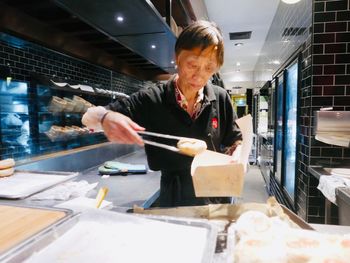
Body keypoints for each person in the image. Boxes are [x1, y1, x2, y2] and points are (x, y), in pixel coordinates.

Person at [82, 20, 242, 207]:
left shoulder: (220, 98)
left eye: (209, 68)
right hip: (173, 197)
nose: (199, 75)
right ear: (177, 58)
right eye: (192, 65)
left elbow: (235, 139)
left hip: (216, 196)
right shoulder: (152, 98)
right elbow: (88, 118)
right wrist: (105, 117)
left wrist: (238, 154)